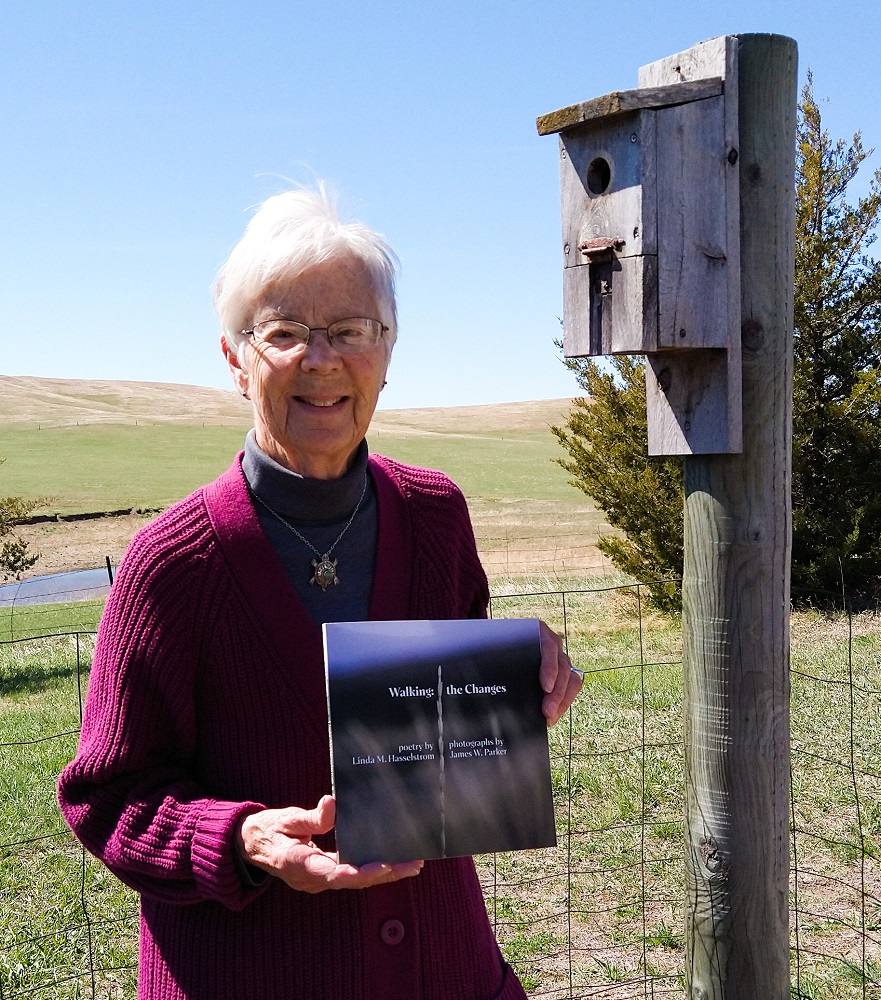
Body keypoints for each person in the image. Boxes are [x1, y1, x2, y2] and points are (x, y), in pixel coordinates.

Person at [58, 186, 583, 1000]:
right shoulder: (173, 562)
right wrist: (243, 838)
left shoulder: (436, 515)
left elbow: (450, 712)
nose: (321, 359)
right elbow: (106, 797)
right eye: (284, 333)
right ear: (235, 359)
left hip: (446, 971)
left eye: (348, 330)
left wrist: (523, 671)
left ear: (387, 346)